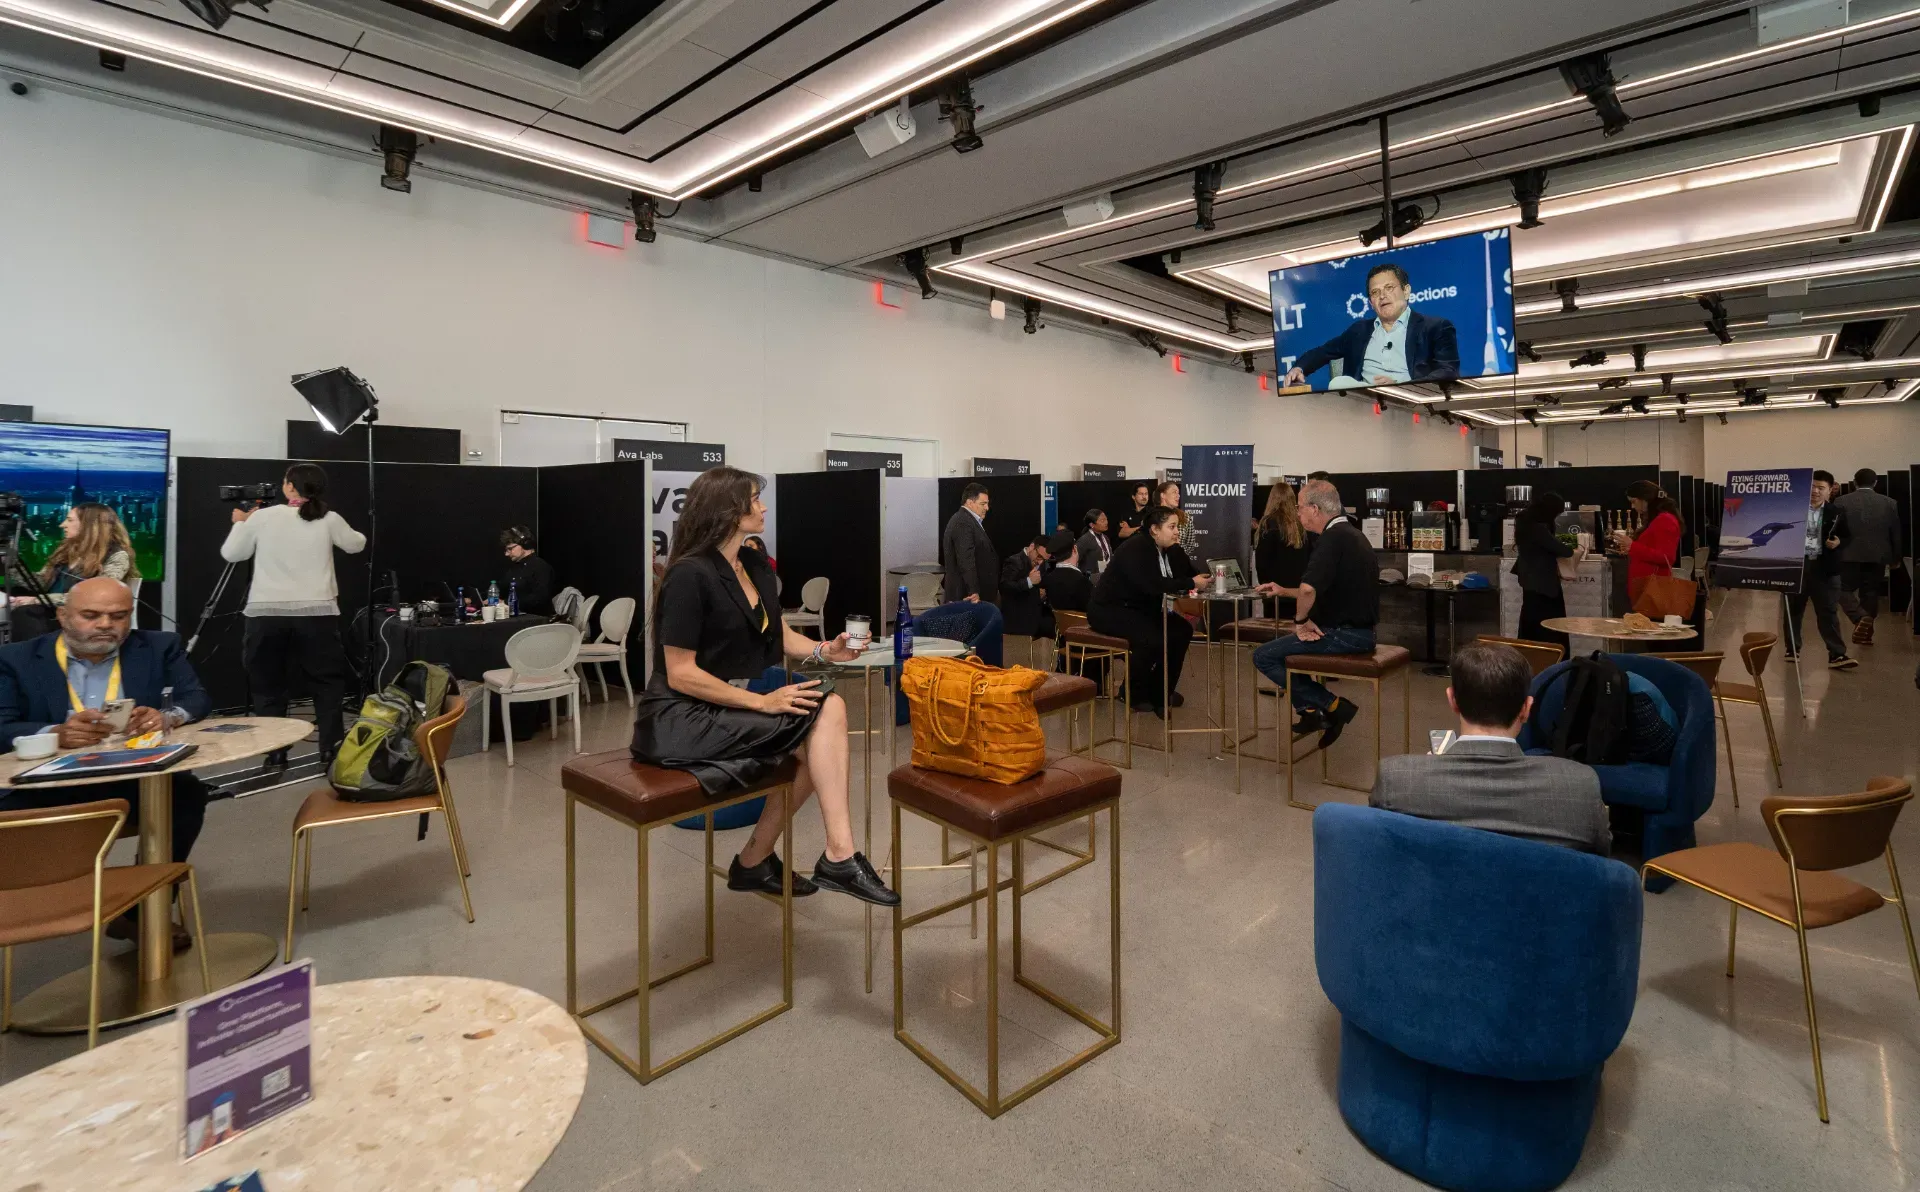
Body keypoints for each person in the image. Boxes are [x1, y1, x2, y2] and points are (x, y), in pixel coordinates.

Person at [632, 466, 896, 907]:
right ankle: (838, 855)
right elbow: (680, 673)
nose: (763, 506)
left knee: (819, 739)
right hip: (679, 715)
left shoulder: (753, 562)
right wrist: (762, 701)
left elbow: (779, 634)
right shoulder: (688, 575)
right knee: (823, 716)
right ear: (728, 509)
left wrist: (825, 651)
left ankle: (760, 859)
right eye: (754, 499)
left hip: (729, 705)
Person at [0, 577, 212, 947]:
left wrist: (167, 717)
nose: (105, 625)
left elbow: (196, 698)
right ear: (63, 616)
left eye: (118, 616)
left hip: (130, 777)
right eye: (91, 615)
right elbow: (2, 725)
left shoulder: (160, 647)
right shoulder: (17, 659)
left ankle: (143, 913)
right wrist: (55, 731)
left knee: (187, 795)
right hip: (50, 784)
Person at [1371, 642, 1608, 856]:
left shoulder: (1397, 779)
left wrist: (1427, 771)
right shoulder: (1580, 787)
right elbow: (1600, 858)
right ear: (1526, 709)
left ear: (1453, 700)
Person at [220, 463, 366, 767]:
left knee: (268, 684)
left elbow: (233, 554)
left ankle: (275, 751)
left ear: (289, 487)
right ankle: (330, 748)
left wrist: (240, 522)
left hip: (266, 613)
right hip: (317, 613)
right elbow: (356, 544)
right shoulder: (328, 518)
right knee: (326, 684)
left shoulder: (263, 517)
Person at [1251, 480, 1379, 748]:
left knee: (1263, 656)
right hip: (1357, 632)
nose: (1297, 513)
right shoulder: (1350, 534)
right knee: (1282, 654)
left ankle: (1331, 706)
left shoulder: (1333, 539)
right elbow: (1318, 589)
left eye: (1300, 508)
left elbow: (1309, 590)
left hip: (1346, 634)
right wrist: (1283, 590)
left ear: (1315, 509)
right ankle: (1312, 711)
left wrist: (1301, 622)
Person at [1088, 506, 1209, 717]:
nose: (1176, 531)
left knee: (1181, 630)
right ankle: (1132, 693)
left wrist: (1179, 554)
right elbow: (1152, 585)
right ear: (1154, 529)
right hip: (1110, 611)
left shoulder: (1164, 548)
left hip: (1138, 610)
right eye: (1171, 527)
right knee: (1150, 637)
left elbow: (1187, 573)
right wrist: (1191, 582)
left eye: (1177, 527)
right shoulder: (1136, 547)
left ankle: (1161, 691)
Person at [1282, 263, 1460, 387]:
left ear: (1406, 291)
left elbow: (1448, 371)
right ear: (1371, 303)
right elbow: (1322, 352)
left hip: (1409, 396)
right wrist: (1299, 367)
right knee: (1338, 382)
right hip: (1364, 399)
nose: (1382, 296)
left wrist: (1402, 385)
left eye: (1389, 288)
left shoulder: (1435, 327)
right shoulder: (1358, 331)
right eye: (1375, 292)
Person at [1784, 471, 1855, 669]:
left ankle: (1837, 654)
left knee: (1828, 612)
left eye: (1820, 488)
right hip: (1798, 566)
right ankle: (1792, 649)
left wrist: (1839, 542)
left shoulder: (1837, 512)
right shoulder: (1793, 510)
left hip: (1825, 569)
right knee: (1793, 611)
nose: (1815, 491)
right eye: (1811, 487)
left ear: (1830, 490)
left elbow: (1847, 536)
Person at [19, 503, 139, 608]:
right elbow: (41, 583)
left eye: (70, 520)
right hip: (49, 610)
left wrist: (38, 600)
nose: (62, 525)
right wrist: (11, 565)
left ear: (90, 525)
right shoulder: (65, 550)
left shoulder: (117, 556)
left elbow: (94, 595)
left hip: (82, 618)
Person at [1832, 467, 1903, 646]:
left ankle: (1859, 618)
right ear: (1876, 482)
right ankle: (1866, 635)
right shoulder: (1890, 503)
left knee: (1842, 589)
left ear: (1855, 482)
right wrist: (1896, 557)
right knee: (1870, 593)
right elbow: (1896, 533)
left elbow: (1833, 530)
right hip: (1878, 555)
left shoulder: (1841, 501)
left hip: (1848, 554)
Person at [1513, 491, 1575, 651]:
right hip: (1544, 583)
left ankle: (1530, 655)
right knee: (1551, 625)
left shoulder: (1524, 522)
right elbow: (1564, 551)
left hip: (1530, 580)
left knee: (1530, 622)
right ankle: (1553, 656)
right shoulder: (1537, 528)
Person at [1614, 479, 1683, 605]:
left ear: (1645, 498)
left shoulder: (1664, 520)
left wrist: (1633, 546)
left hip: (1652, 588)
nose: (1632, 507)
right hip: (1646, 587)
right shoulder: (1658, 519)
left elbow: (1666, 557)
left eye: (1634, 502)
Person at [1253, 483, 1310, 620]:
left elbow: (1261, 562)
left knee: (1274, 632)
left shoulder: (1267, 523)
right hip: (1298, 592)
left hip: (1274, 593)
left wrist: (1264, 585)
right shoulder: (1301, 525)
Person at [941, 483, 998, 607]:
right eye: (983, 504)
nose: (987, 508)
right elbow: (966, 561)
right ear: (970, 502)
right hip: (966, 596)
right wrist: (974, 591)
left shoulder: (967, 520)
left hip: (969, 595)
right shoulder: (963, 522)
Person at [999, 535, 1052, 640]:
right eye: (1039, 556)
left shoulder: (1039, 563)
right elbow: (1004, 587)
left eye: (1044, 560)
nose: (1040, 562)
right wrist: (1029, 582)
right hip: (1017, 624)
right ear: (1032, 547)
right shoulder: (1014, 561)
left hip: (1033, 621)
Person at [499, 525, 556, 617]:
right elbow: (501, 589)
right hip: (520, 619)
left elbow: (540, 599)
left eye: (510, 549)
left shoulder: (540, 567)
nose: (506, 554)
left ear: (525, 544)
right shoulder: (514, 568)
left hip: (537, 622)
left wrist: (506, 602)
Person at [1041, 532, 1092, 614]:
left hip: (1059, 625)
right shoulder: (1082, 581)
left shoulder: (1047, 578)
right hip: (1079, 624)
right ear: (1074, 549)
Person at [1156, 480, 1198, 558]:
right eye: (1174, 492)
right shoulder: (1152, 516)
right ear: (1163, 495)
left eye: (1178, 493)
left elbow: (1190, 545)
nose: (1178, 496)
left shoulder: (1185, 517)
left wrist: (1178, 553)